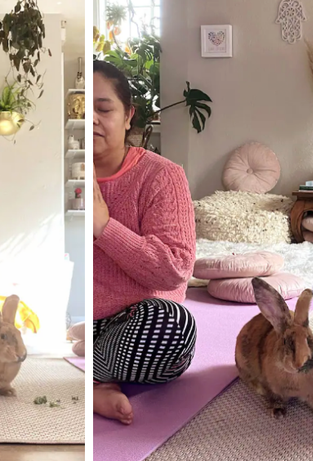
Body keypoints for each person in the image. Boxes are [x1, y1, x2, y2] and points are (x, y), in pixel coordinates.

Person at [92, 60, 197, 426]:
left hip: (136, 323)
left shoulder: (161, 176)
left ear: (127, 116)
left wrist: (104, 227)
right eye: (79, 110)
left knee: (174, 327)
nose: (91, 119)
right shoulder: (55, 174)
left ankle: (86, 372)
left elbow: (176, 269)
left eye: (103, 109)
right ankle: (93, 379)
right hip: (74, 326)